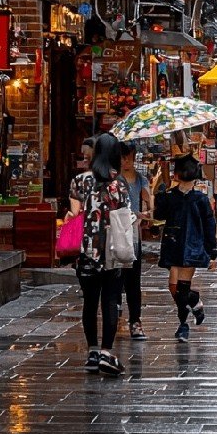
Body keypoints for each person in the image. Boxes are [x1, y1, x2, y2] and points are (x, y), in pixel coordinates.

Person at [68, 133, 132, 375]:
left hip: (85, 250)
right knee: (111, 300)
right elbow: (125, 216)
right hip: (113, 250)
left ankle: (92, 351)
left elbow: (73, 215)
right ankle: (106, 352)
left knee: (90, 301)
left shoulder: (79, 181)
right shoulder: (120, 184)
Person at [154, 154, 217, 341]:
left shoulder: (200, 199)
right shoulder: (170, 196)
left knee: (181, 287)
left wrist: (211, 251)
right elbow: (160, 215)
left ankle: (183, 324)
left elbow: (209, 225)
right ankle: (194, 301)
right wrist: (161, 193)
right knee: (173, 287)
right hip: (173, 244)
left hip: (192, 246)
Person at [119, 141, 152, 341]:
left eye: (129, 157)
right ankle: (115, 312)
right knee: (116, 279)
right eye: (122, 157)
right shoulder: (114, 180)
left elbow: (150, 203)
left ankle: (135, 321)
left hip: (133, 235)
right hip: (116, 233)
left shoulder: (140, 179)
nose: (126, 161)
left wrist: (146, 213)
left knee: (133, 282)